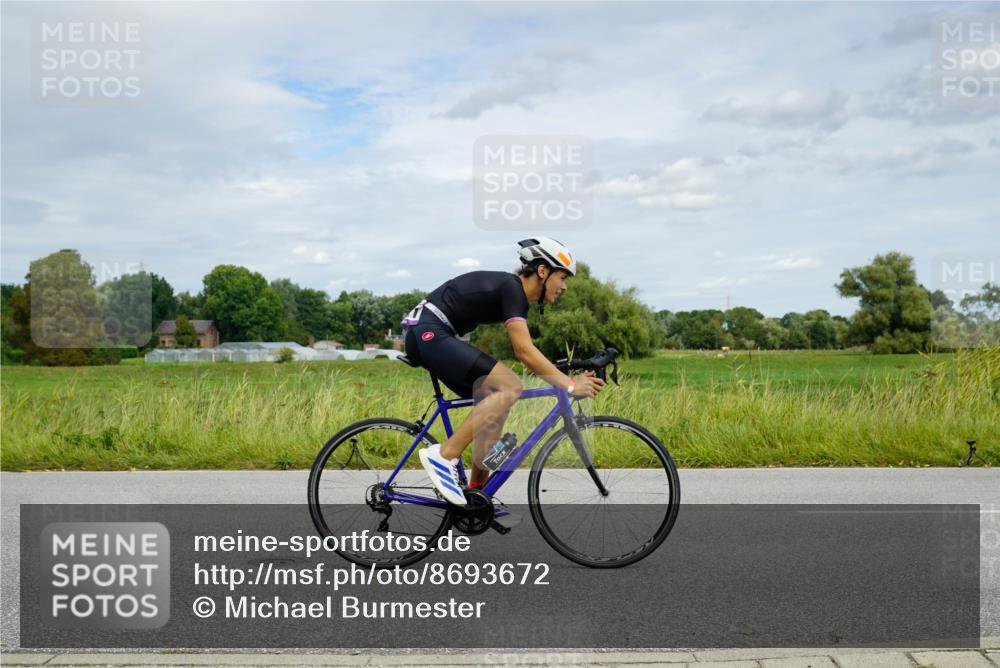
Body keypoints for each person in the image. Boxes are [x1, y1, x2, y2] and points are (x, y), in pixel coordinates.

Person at [401, 237, 605, 506]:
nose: (564, 286)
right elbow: (524, 351)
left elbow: (528, 352)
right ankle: (444, 455)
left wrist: (562, 370)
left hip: (430, 332)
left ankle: (477, 494)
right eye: (563, 277)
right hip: (428, 332)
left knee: (495, 400)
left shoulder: (513, 295)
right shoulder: (512, 289)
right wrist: (569, 384)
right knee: (509, 386)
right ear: (542, 271)